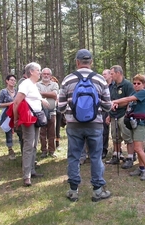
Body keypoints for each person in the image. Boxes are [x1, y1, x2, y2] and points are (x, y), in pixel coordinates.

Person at [58, 49, 112, 202]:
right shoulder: (100, 80)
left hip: (74, 125)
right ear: (91, 62)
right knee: (95, 156)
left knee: (74, 156)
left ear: (77, 62)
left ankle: (73, 191)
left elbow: (61, 105)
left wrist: (69, 112)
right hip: (95, 125)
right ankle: (97, 191)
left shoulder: (68, 80)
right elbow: (107, 106)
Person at [111, 74, 145, 180]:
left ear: (144, 84)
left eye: (139, 83)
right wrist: (118, 104)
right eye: (134, 83)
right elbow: (128, 101)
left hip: (141, 124)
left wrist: (115, 101)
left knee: (138, 148)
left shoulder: (143, 92)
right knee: (137, 147)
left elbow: (129, 98)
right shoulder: (136, 92)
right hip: (134, 123)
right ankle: (141, 167)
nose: (136, 85)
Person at [13, 62, 46, 187]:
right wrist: (16, 120)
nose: (40, 72)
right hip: (28, 119)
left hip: (36, 117)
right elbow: (16, 102)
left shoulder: (34, 85)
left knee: (34, 145)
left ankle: (32, 170)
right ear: (31, 72)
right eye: (38, 70)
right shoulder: (25, 84)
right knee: (28, 145)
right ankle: (26, 175)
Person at [105, 65, 135, 169]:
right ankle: (116, 155)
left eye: (112, 74)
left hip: (124, 115)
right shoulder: (112, 86)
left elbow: (131, 99)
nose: (111, 76)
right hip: (113, 115)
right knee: (115, 136)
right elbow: (110, 100)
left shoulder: (127, 85)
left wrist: (120, 105)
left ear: (118, 73)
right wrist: (109, 114)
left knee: (127, 136)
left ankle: (130, 158)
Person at [37, 68, 59, 158]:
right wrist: (49, 93)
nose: (46, 75)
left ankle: (52, 150)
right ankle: (43, 150)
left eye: (48, 74)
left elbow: (54, 94)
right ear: (41, 75)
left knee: (52, 131)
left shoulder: (55, 84)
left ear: (50, 75)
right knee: (42, 132)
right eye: (44, 74)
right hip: (40, 111)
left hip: (52, 111)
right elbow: (36, 95)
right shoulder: (37, 84)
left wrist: (42, 93)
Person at [0, 74, 18, 160]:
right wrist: (9, 104)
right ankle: (10, 149)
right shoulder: (3, 92)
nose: (13, 82)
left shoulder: (17, 91)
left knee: (19, 130)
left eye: (14, 80)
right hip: (7, 115)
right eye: (11, 80)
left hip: (17, 114)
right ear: (7, 81)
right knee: (8, 132)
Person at [101, 69, 113, 159]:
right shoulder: (102, 85)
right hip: (104, 110)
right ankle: (103, 150)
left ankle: (118, 151)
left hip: (115, 109)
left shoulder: (114, 85)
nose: (103, 76)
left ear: (110, 75)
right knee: (104, 130)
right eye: (102, 74)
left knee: (116, 132)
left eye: (105, 74)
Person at [50, 76, 62, 150]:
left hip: (58, 110)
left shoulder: (60, 91)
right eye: (51, 81)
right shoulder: (48, 90)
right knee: (51, 128)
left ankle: (57, 143)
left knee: (57, 127)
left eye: (54, 81)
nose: (53, 82)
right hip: (50, 109)